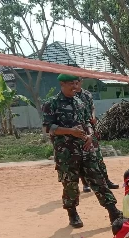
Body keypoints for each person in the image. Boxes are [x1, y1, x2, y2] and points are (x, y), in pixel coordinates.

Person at [42, 74, 122, 228]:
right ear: (62, 84)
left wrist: (90, 135)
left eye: (76, 83)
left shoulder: (80, 102)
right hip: (66, 152)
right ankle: (72, 213)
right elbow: (49, 127)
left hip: (86, 148)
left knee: (98, 179)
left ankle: (113, 211)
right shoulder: (51, 104)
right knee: (70, 184)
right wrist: (70, 131)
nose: (75, 87)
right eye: (71, 84)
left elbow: (87, 121)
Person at [75, 78, 119, 192]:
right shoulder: (71, 96)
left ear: (81, 82)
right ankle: (85, 184)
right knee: (82, 158)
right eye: (73, 82)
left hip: (90, 129)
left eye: (77, 82)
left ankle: (106, 181)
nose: (75, 84)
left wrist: (93, 117)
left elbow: (92, 107)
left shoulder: (87, 94)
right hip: (78, 131)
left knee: (98, 156)